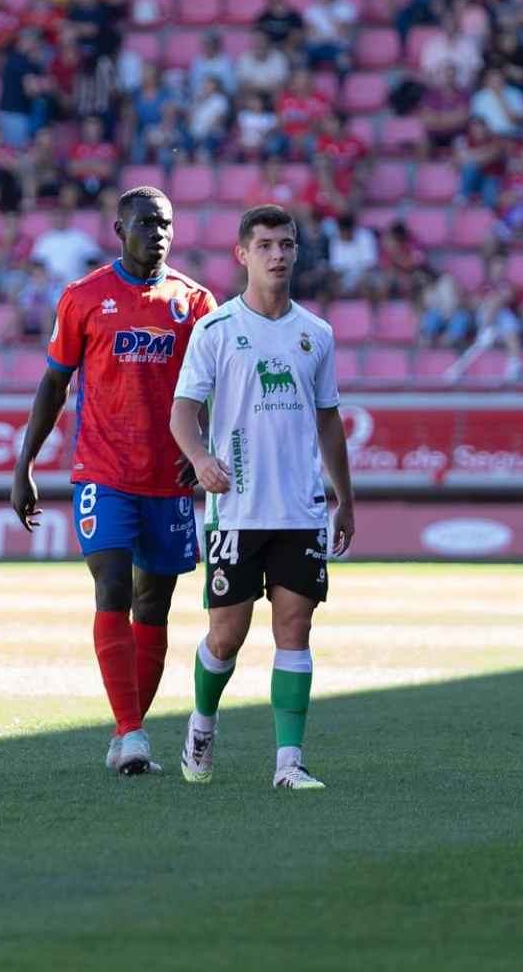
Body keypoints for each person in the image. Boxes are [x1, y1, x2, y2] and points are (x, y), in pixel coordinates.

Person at [10, 187, 218, 777]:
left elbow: (218, 387)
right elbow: (53, 385)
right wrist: (24, 464)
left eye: (167, 224)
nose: (158, 233)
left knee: (155, 603)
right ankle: (130, 731)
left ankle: (130, 729)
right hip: (102, 471)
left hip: (168, 477)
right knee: (112, 588)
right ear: (118, 229)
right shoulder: (82, 297)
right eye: (146, 223)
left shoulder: (196, 304)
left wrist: (200, 450)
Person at [168, 202, 354, 791]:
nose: (277, 255)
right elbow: (182, 413)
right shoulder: (216, 330)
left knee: (294, 630)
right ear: (243, 254)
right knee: (227, 636)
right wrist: (200, 460)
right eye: (266, 245)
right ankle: (201, 722)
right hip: (238, 509)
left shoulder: (315, 334)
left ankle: (288, 763)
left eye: (286, 244)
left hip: (299, 509)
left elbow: (329, 422)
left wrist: (344, 498)